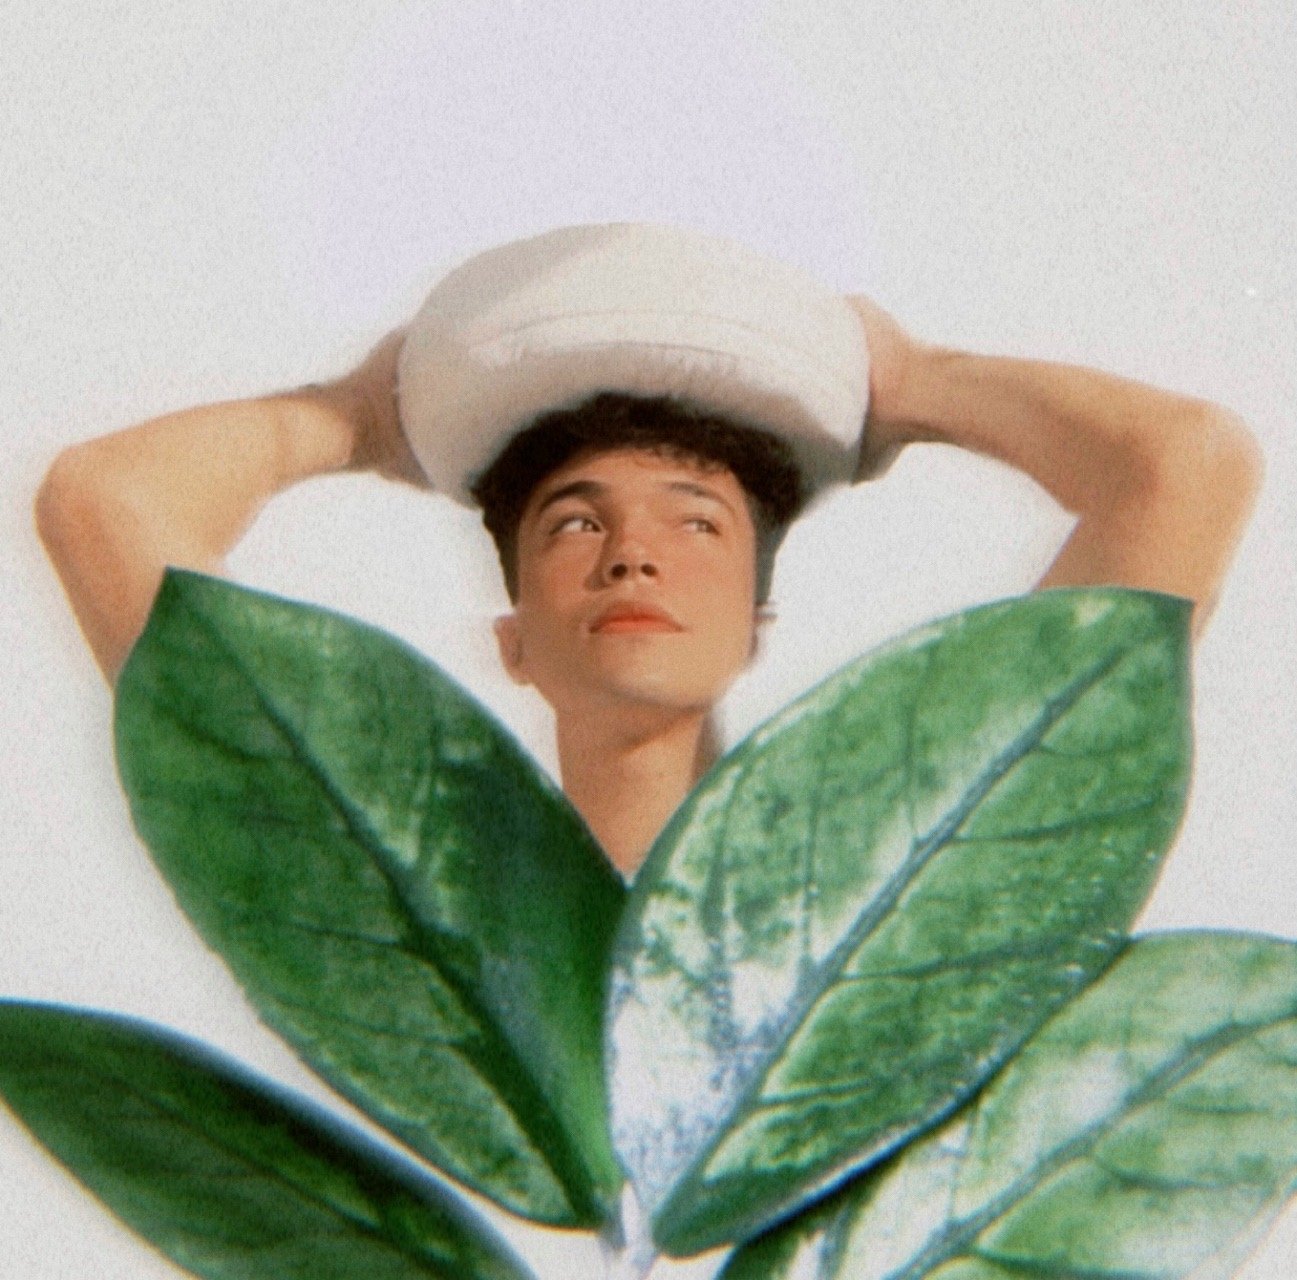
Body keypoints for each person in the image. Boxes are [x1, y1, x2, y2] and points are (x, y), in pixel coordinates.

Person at [35, 294, 1262, 877]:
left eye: (696, 523)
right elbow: (103, 502)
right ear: (513, 637)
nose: (633, 555)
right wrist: (351, 415)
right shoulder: (392, 873)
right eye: (575, 523)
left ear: (754, 624)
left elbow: (1183, 465)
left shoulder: (902, 859)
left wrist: (914, 383)